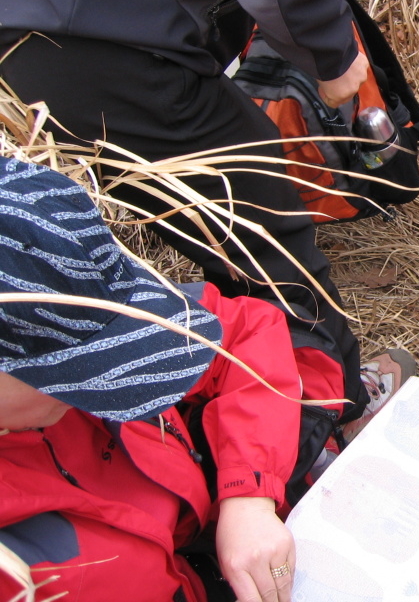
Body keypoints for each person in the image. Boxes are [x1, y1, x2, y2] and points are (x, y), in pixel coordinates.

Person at [0, 0, 414, 431]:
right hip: (110, 34)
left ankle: (238, 397)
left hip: (25, 6)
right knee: (267, 244)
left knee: (222, 231)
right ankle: (327, 420)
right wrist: (331, 49)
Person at [0, 156, 309, 601]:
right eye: (73, 374)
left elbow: (243, 330)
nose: (94, 392)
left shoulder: (64, 287)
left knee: (313, 349)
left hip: (216, 519)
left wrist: (249, 496)